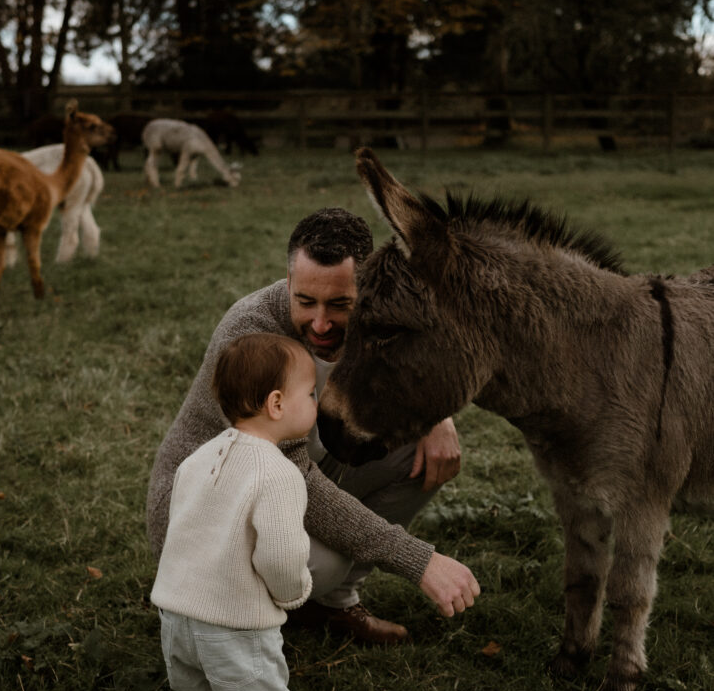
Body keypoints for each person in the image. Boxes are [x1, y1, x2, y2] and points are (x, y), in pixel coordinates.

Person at [147, 207, 480, 647]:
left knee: (415, 454)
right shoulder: (252, 337)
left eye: (340, 305)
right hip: (204, 524)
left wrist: (436, 418)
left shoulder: (377, 323)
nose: (321, 323)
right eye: (305, 301)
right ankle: (234, 633)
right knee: (320, 563)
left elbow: (419, 366)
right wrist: (418, 561)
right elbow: (289, 477)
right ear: (288, 284)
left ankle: (335, 604)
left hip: (290, 481)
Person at [151, 333, 316, 691]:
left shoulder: (197, 459)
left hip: (176, 614)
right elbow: (281, 555)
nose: (316, 401)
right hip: (233, 623)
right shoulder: (278, 473)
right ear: (278, 403)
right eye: (312, 392)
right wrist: (294, 592)